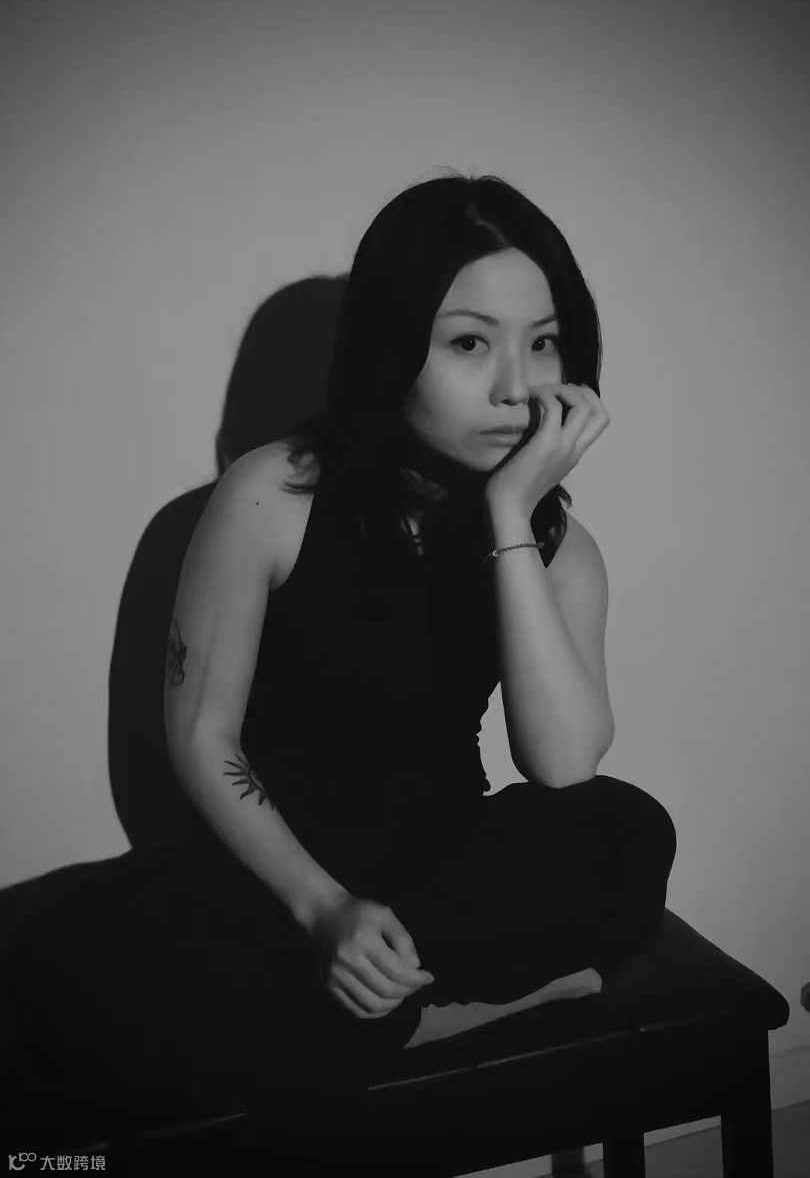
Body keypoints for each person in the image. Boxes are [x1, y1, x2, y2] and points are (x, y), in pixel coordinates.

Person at [2, 173, 677, 1166]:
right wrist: (324, 910)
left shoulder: (558, 552)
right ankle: (442, 1004)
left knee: (627, 829)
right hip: (271, 881)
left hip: (443, 876)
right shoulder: (272, 494)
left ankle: (384, 998)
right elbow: (201, 736)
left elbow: (565, 765)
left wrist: (508, 516)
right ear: (390, 346)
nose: (516, 386)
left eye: (543, 343)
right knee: (60, 974)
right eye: (468, 343)